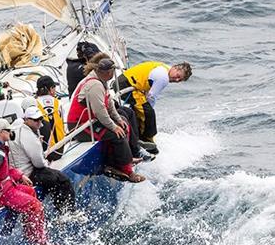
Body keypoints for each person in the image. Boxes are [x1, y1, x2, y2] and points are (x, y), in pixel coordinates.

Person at [0, 117, 59, 245]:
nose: (10, 134)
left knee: (30, 191)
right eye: (8, 131)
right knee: (35, 205)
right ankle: (40, 242)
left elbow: (3, 169)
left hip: (7, 186)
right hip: (3, 192)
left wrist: (19, 175)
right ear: (0, 132)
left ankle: (29, 232)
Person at [66, 54, 146, 183]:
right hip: (80, 126)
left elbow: (109, 105)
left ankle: (119, 161)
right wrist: (114, 127)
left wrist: (118, 120)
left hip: (90, 122)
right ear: (108, 72)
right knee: (116, 135)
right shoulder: (95, 85)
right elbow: (100, 111)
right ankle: (127, 171)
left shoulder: (101, 82)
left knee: (123, 125)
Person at [9, 107, 79, 220]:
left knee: (53, 178)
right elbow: (39, 164)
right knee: (63, 180)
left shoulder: (18, 128)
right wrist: (45, 161)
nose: (39, 122)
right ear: (26, 119)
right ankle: (67, 212)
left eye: (40, 119)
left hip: (19, 171)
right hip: (28, 173)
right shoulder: (28, 135)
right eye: (35, 120)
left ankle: (61, 209)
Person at [115, 61, 192, 153]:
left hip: (127, 82)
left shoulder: (165, 68)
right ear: (175, 68)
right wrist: (148, 109)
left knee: (145, 111)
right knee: (148, 113)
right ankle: (146, 140)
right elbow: (152, 96)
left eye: (180, 80)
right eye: (178, 76)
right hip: (125, 85)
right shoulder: (163, 78)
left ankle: (138, 135)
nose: (176, 80)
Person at [34, 75, 67, 160]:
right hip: (60, 148)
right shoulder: (58, 103)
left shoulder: (35, 104)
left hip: (45, 150)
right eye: (54, 87)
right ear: (50, 89)